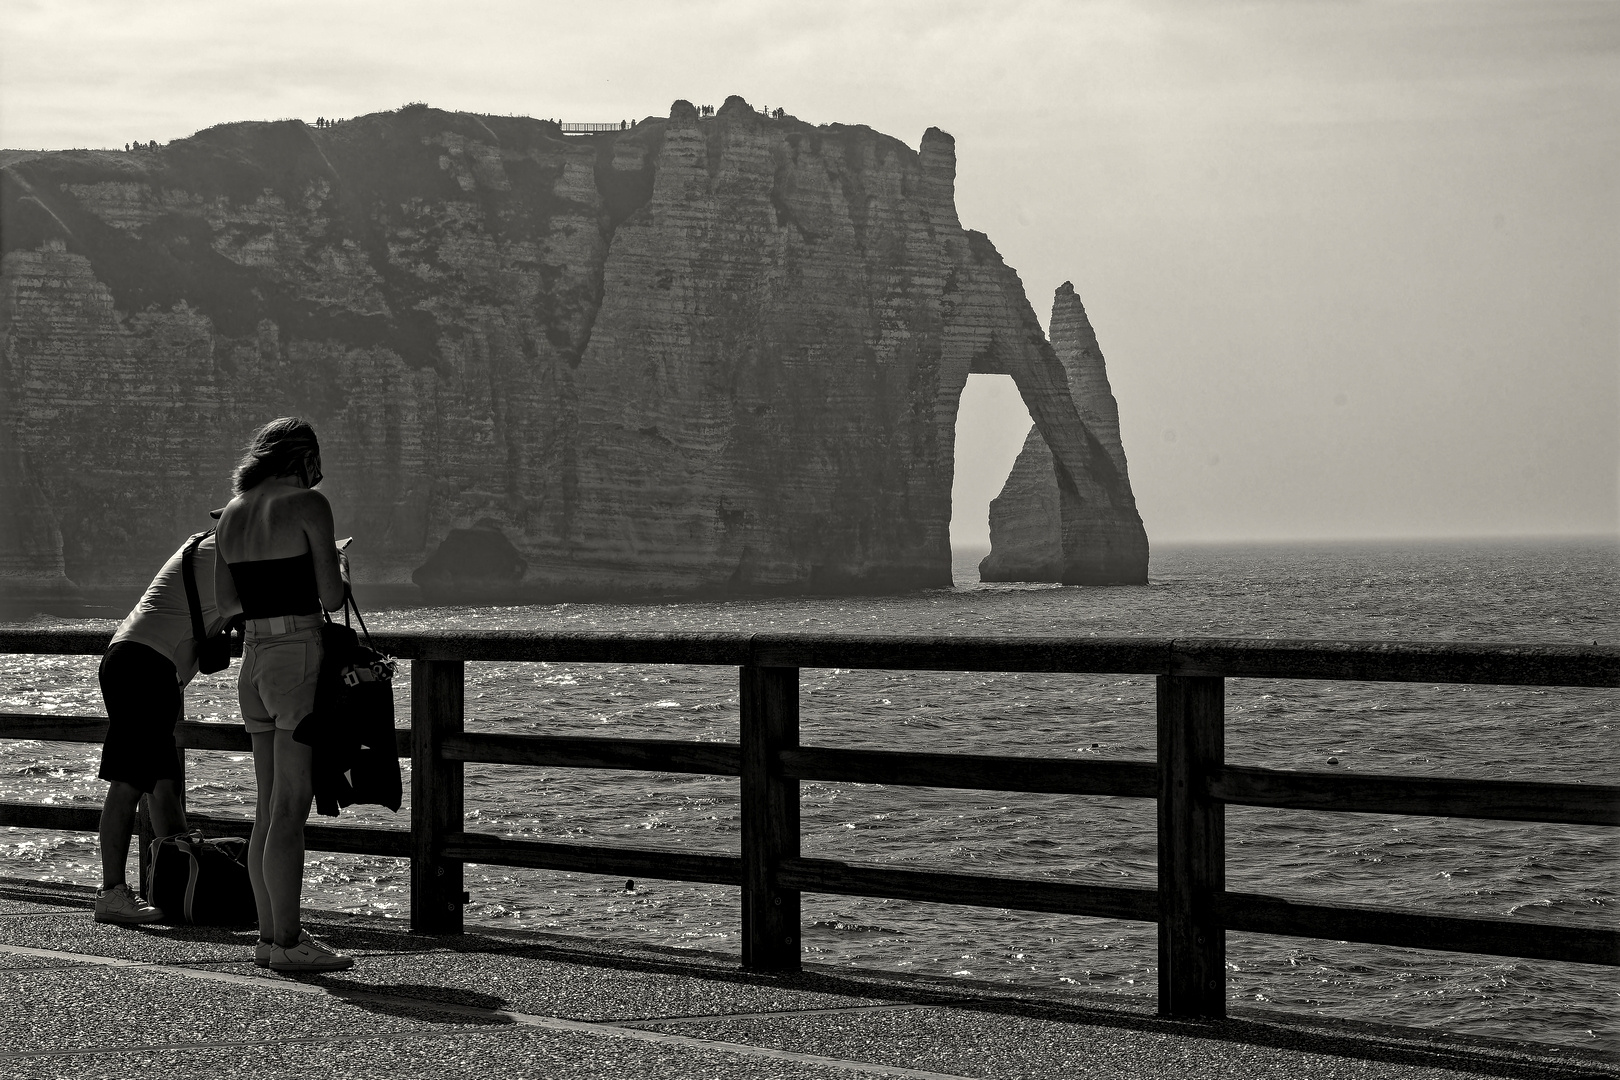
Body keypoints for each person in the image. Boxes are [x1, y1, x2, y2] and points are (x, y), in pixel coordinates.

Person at [214, 417, 352, 973]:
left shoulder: (231, 513)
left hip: (253, 660)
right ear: (301, 459)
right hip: (296, 653)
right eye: (315, 461)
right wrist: (339, 563)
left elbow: (227, 605)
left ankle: (270, 936)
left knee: (266, 806)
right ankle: (291, 942)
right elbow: (332, 597)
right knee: (291, 807)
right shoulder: (308, 506)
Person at [93, 533, 224, 923]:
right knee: (129, 781)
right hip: (144, 665)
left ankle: (179, 890)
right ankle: (112, 892)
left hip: (143, 662)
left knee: (164, 785)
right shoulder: (227, 552)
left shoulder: (205, 546)